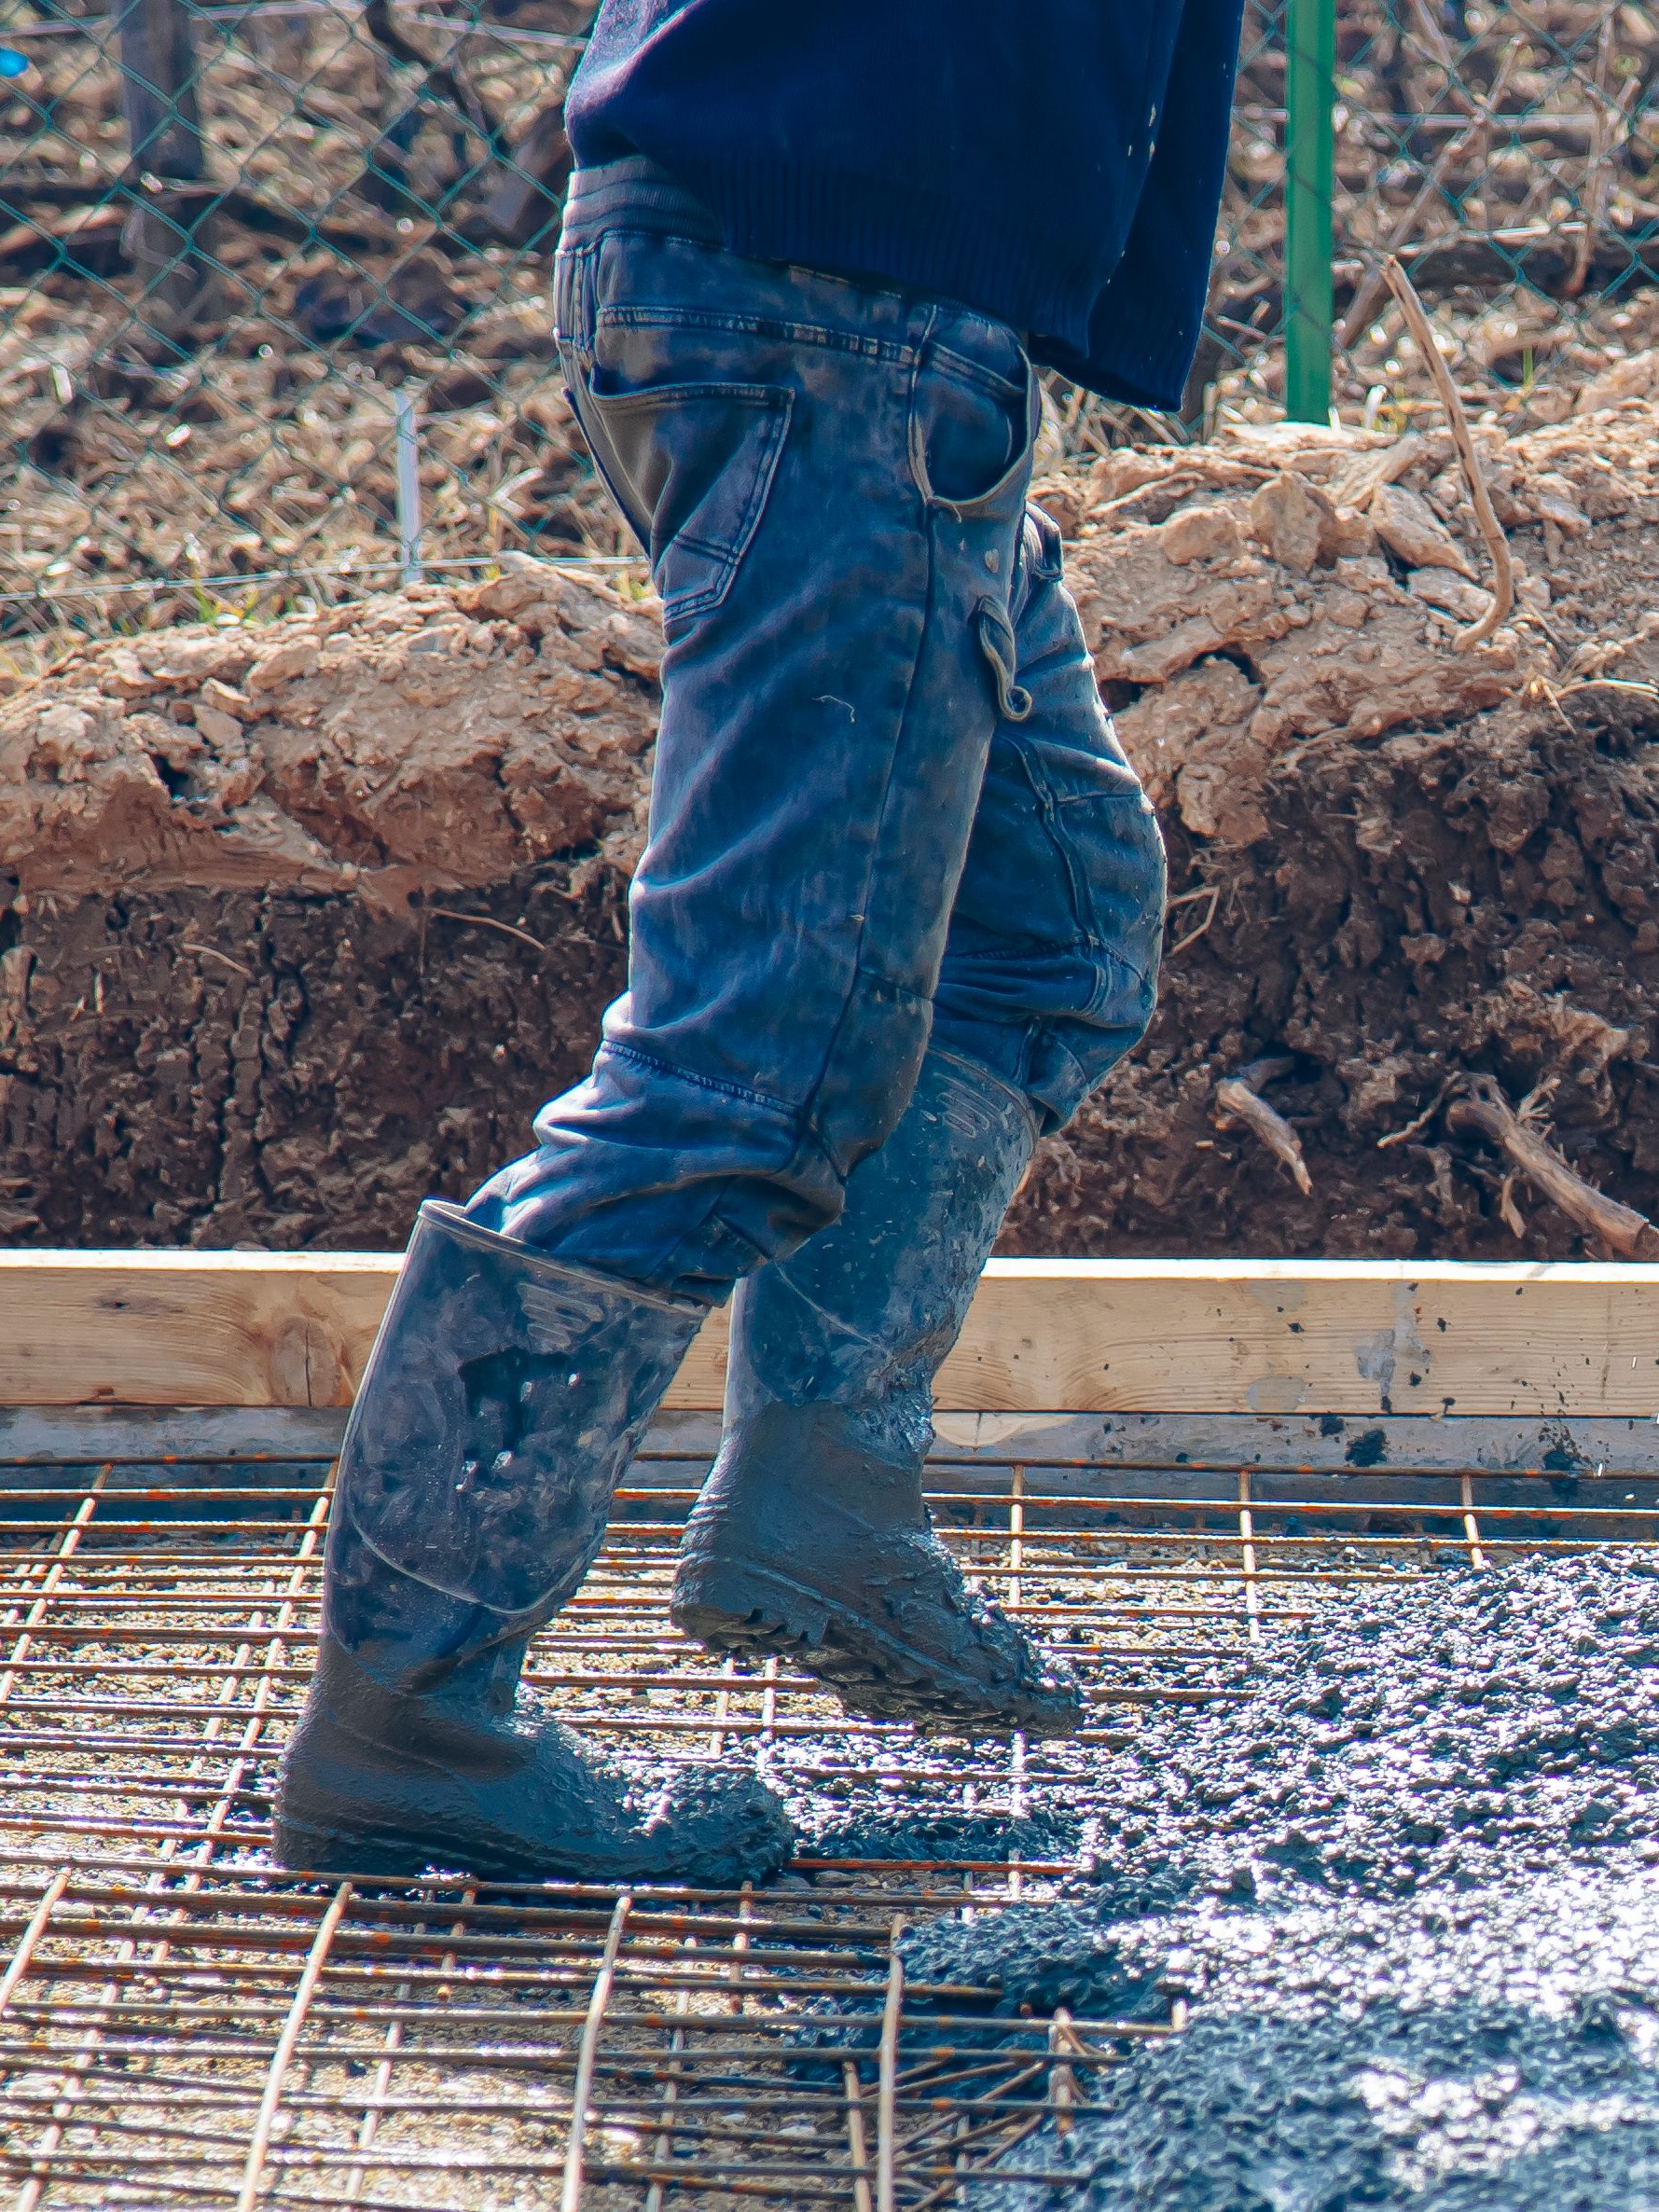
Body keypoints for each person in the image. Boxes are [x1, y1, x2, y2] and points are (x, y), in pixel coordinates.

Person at [275, 0, 1244, 1883]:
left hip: (838, 276)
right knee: (749, 1064)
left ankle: (824, 1497)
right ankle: (416, 1710)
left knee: (1046, 923)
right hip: (838, 303)